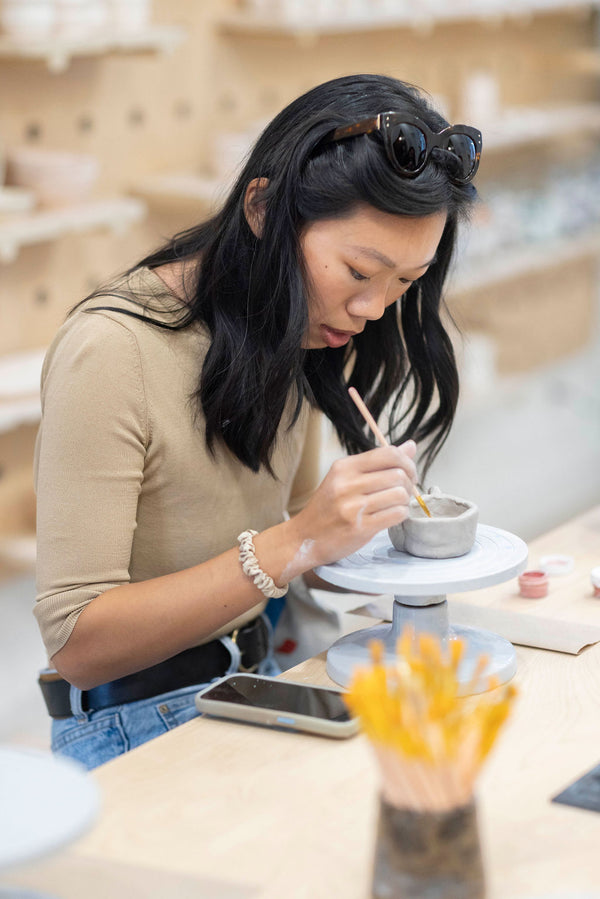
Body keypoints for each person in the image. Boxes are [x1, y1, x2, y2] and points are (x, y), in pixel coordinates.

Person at [34, 73, 481, 769]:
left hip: (252, 683)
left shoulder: (292, 327)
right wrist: (298, 542)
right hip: (127, 723)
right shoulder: (112, 350)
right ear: (264, 210)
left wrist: (370, 537)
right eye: (360, 270)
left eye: (405, 283)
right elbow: (78, 645)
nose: (373, 309)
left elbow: (301, 543)